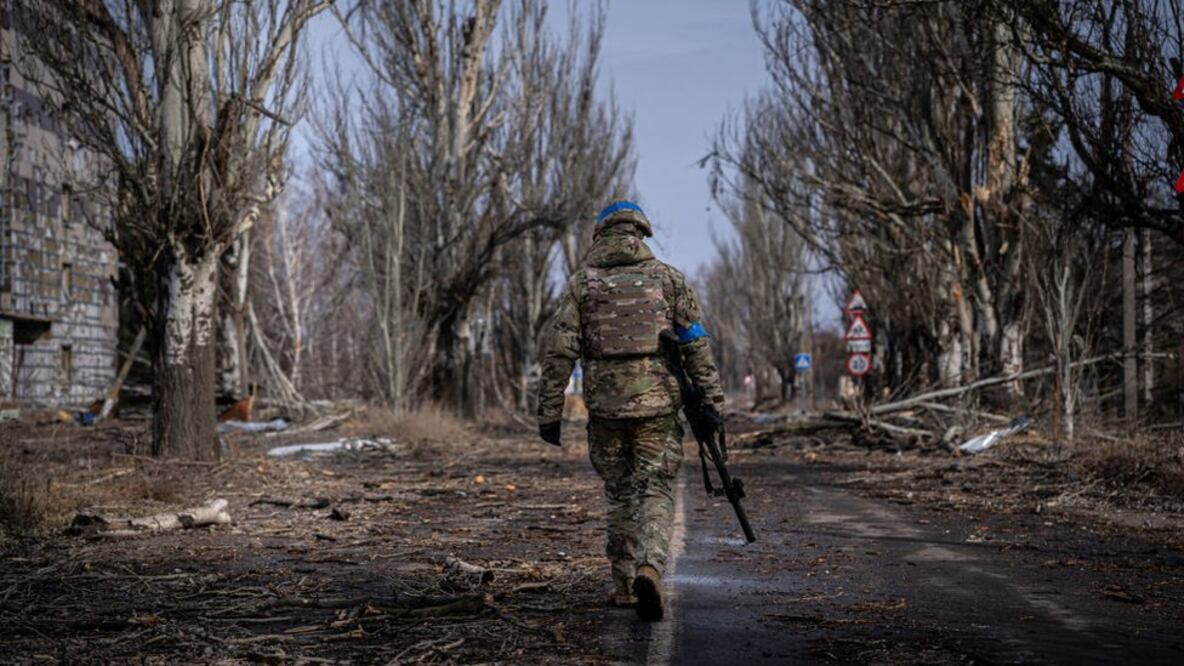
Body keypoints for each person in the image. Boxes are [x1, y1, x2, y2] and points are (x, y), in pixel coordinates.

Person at [536, 201, 725, 621]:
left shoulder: (581, 285)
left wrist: (549, 412)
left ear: (601, 235)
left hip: (605, 408)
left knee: (619, 492)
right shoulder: (668, 280)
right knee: (655, 488)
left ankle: (623, 586)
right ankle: (650, 567)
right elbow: (695, 345)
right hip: (658, 406)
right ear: (640, 233)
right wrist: (713, 402)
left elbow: (560, 351)